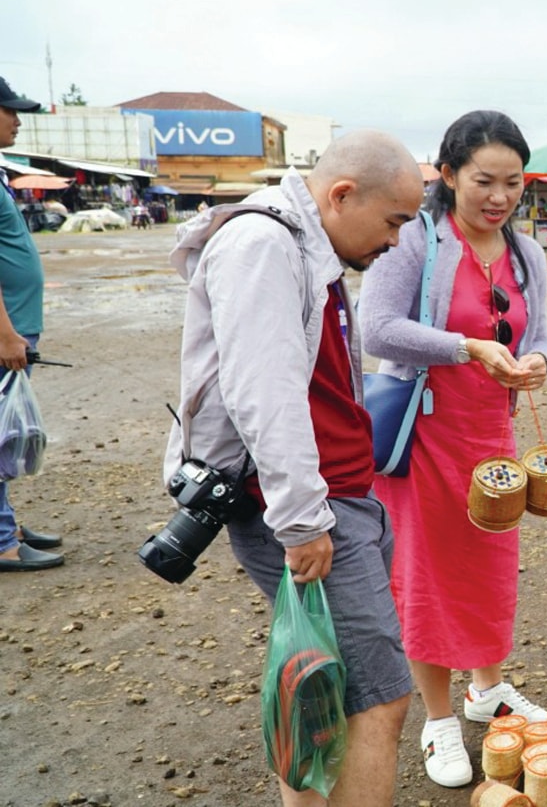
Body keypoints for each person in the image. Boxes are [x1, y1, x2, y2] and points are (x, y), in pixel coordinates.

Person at [164, 130, 425, 806]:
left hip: (336, 500)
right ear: (340, 195)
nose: (397, 241)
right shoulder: (263, 245)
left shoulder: (307, 247)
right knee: (379, 702)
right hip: (314, 509)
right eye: (393, 221)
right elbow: (264, 392)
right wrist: (303, 519)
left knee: (316, 686)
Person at [359, 110, 547, 789]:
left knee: (490, 568)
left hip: (493, 437)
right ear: (448, 176)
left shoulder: (527, 254)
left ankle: (487, 689)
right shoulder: (419, 241)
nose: (499, 197)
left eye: (512, 182)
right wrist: (464, 348)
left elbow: (542, 340)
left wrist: (533, 365)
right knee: (428, 576)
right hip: (426, 436)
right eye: (483, 181)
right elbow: (376, 329)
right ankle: (438, 718)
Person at [0, 76, 63, 572]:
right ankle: (2, 539)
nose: (18, 120)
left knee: (7, 430)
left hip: (16, 325)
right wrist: (4, 332)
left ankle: (7, 524)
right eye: (11, 110)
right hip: (7, 329)